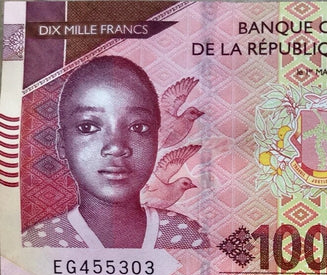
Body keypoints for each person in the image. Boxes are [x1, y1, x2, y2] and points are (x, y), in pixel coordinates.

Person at [22, 56, 209, 249]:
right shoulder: (38, 242)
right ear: (61, 144)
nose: (116, 147)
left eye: (138, 127)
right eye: (87, 127)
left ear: (156, 139)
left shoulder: (187, 235)